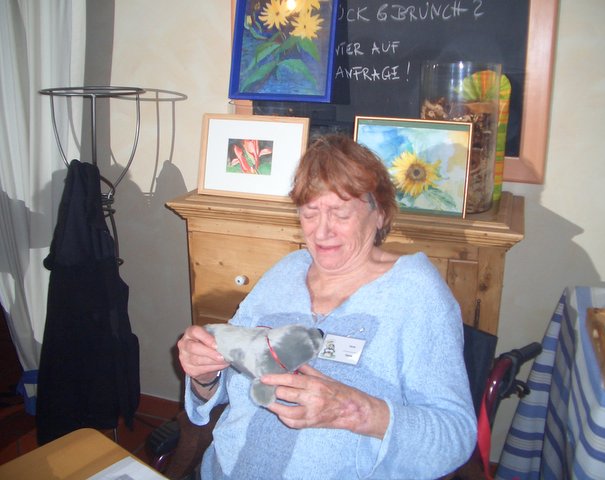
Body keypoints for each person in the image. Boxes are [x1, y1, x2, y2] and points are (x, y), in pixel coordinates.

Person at [177, 134, 476, 479]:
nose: (322, 232)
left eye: (340, 213)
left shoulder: (416, 294)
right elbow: (231, 377)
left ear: (379, 213)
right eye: (310, 213)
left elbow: (455, 435)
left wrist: (356, 411)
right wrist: (205, 376)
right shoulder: (285, 273)